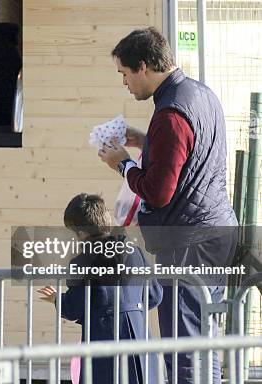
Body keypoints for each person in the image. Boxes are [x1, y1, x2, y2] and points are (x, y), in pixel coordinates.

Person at [98, 27, 238, 383]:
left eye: (125, 74)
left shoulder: (170, 114)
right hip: (216, 230)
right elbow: (192, 159)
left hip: (187, 241)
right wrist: (145, 141)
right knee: (205, 342)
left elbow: (158, 192)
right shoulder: (200, 94)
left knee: (185, 349)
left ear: (143, 66)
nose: (125, 84)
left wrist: (122, 163)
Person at [38, 193, 163, 384]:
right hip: (139, 336)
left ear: (80, 232)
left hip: (104, 340)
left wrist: (57, 299)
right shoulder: (133, 251)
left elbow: (75, 307)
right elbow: (155, 295)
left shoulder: (82, 261)